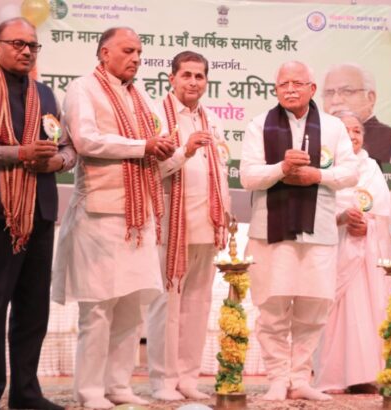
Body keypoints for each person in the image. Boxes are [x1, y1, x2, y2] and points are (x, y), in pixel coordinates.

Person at [52, 27, 175, 409]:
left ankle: (118, 387)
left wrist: (178, 150)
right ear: (104, 53)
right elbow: (86, 140)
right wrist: (144, 146)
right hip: (99, 216)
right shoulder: (82, 89)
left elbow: (161, 140)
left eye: (139, 51)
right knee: (99, 309)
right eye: (128, 50)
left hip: (139, 218)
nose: (136, 57)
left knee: (130, 308)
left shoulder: (142, 98)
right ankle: (89, 392)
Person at [0, 17, 75, 410]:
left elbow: (69, 149)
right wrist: (19, 155)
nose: (26, 51)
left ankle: (26, 393)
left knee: (33, 308)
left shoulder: (45, 94)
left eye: (33, 45)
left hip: (40, 213)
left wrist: (54, 164)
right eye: (18, 44)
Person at [240, 61, 358, 401]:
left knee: (313, 307)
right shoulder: (258, 125)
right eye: (283, 84)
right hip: (270, 231)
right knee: (272, 307)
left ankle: (300, 377)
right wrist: (281, 168)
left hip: (319, 230)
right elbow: (247, 176)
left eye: (297, 83)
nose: (290, 89)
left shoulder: (334, 128)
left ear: (311, 89)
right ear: (275, 90)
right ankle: (277, 377)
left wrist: (317, 176)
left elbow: (350, 172)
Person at [146, 50, 230, 401]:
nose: (193, 82)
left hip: (205, 227)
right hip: (171, 225)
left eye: (199, 76)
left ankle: (188, 377)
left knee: (197, 304)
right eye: (186, 75)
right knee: (168, 304)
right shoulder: (157, 117)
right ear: (171, 78)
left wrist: (224, 213)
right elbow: (151, 170)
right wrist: (185, 151)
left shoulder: (212, 120)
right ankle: (163, 381)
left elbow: (221, 171)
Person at [312, 111, 391, 394]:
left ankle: (365, 375)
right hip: (335, 251)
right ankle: (334, 376)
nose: (352, 135)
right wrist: (342, 218)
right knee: (336, 316)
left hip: (367, 256)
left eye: (357, 130)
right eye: (346, 130)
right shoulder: (324, 166)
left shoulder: (371, 167)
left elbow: (384, 211)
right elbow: (317, 209)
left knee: (367, 312)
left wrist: (368, 225)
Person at [322, 63, 391, 164]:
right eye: (329, 93)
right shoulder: (319, 138)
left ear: (370, 98)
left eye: (347, 91)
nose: (335, 100)